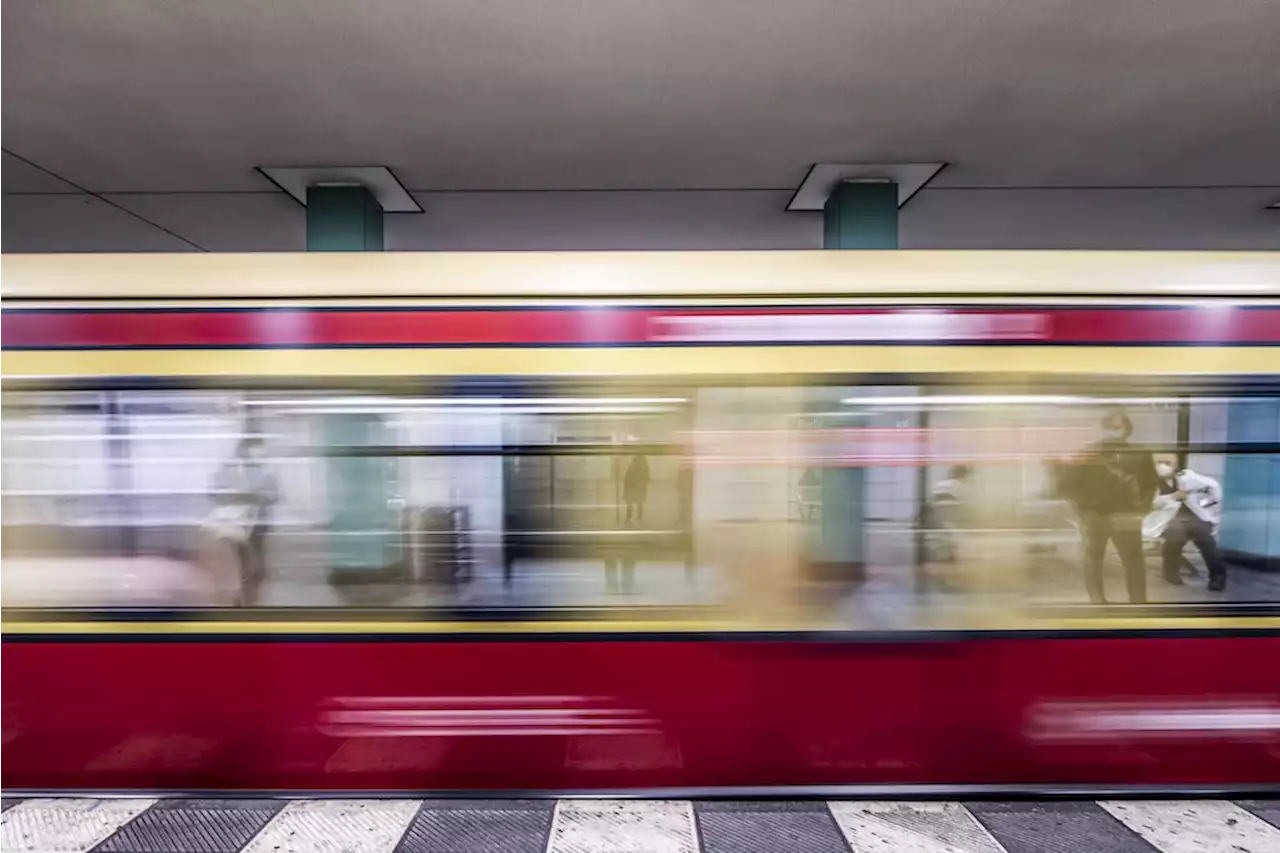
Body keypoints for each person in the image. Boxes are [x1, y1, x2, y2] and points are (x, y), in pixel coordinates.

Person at [1057, 410, 1158, 604]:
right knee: (1093, 560)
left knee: (1133, 561)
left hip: (1127, 515)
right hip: (1095, 515)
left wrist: (1142, 509)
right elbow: (1068, 484)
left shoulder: (1140, 454)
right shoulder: (1088, 452)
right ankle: (1097, 600)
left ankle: (1138, 602)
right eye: (1109, 427)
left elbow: (1150, 482)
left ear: (1127, 429)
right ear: (1102, 429)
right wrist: (1082, 512)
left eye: (1117, 427)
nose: (1113, 431)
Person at [208, 436, 279, 599]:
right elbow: (215, 493)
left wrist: (255, 497)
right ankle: (243, 587)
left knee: (257, 555)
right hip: (235, 521)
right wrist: (234, 496)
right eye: (256, 448)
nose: (259, 453)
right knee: (240, 557)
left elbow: (274, 496)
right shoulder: (229, 469)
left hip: (258, 521)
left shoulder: (266, 472)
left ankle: (252, 587)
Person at [1152, 456, 1225, 591]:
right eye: (1159, 463)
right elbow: (1149, 503)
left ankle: (1217, 576)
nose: (1162, 466)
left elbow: (1214, 489)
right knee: (1175, 536)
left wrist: (1202, 504)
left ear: (1175, 465)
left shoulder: (1188, 477)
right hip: (1168, 518)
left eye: (1167, 463)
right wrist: (1172, 497)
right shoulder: (1150, 481)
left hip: (1194, 515)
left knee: (1206, 540)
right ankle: (1170, 572)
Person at [622, 453, 650, 525]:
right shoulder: (645, 467)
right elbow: (646, 478)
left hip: (632, 488)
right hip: (639, 488)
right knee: (639, 503)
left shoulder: (632, 467)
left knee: (631, 503)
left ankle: (629, 518)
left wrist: (626, 490)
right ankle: (638, 518)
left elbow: (627, 478)